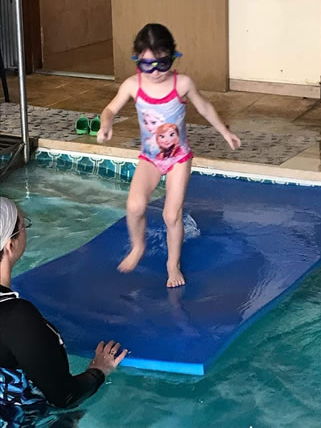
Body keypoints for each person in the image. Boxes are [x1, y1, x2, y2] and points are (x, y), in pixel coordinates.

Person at [97, 23, 241, 287]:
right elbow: (110, 109)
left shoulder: (182, 83)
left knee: (171, 215)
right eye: (147, 65)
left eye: (162, 64)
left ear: (173, 58)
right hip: (150, 159)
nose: (155, 72)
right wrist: (106, 124)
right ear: (137, 60)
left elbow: (205, 107)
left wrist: (224, 131)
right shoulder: (132, 85)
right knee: (134, 206)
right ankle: (138, 246)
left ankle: (172, 265)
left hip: (178, 159)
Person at [0, 196, 128, 416]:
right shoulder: (16, 317)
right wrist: (99, 370)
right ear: (10, 245)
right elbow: (65, 396)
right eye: (23, 225)